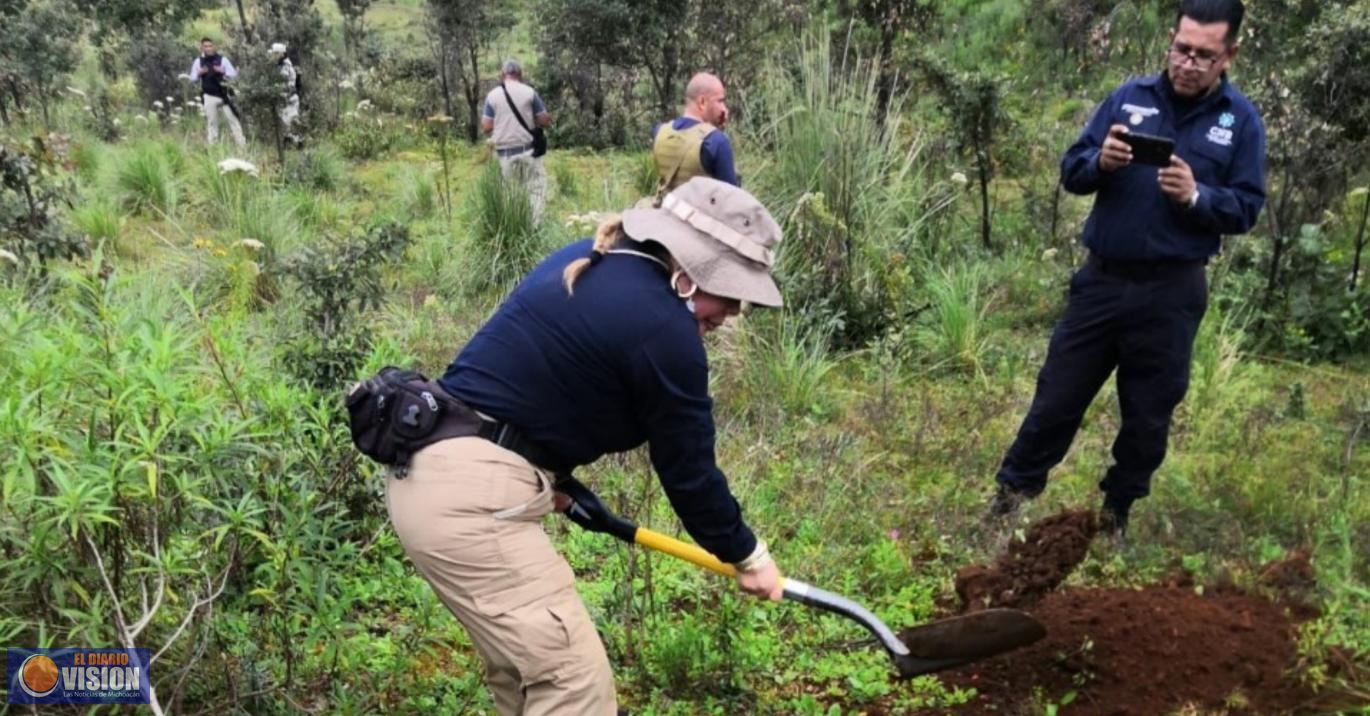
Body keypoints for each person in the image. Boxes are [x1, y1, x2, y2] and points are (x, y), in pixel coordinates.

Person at [385, 177, 785, 714]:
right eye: (731, 290)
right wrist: (747, 553)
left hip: (431, 475)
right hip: (470, 507)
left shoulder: (590, 257)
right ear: (689, 270)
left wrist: (557, 482)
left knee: (525, 676)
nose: (735, 309)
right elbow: (689, 472)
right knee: (573, 684)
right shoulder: (664, 329)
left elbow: (526, 386)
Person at [987, 0, 1265, 541]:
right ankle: (1008, 500)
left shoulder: (1241, 122)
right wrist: (1101, 163)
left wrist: (1197, 196)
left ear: (1228, 54)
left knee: (1147, 417)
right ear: (1171, 40)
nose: (1188, 62)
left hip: (1173, 291)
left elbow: (1247, 207)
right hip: (1102, 282)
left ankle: (1116, 514)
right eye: (1181, 48)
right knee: (1056, 399)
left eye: (1203, 55)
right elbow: (1073, 169)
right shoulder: (1129, 98)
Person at [649, 73, 738, 204]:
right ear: (702, 102)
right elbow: (733, 202)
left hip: (665, 216)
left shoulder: (660, 131)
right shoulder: (717, 142)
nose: (723, 108)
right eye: (720, 101)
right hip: (698, 222)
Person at [482, 59, 550, 222]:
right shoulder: (529, 92)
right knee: (535, 191)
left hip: (504, 154)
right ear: (520, 74)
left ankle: (513, 228)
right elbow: (544, 121)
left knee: (510, 195)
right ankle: (534, 228)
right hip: (528, 152)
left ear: (503, 75)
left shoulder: (492, 96)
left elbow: (486, 126)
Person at [188, 37, 246, 150]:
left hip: (224, 95)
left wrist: (223, 71)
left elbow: (234, 75)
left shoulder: (222, 60)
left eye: (210, 46)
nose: (208, 48)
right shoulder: (198, 62)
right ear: (201, 47)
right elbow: (192, 79)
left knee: (234, 121)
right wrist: (199, 73)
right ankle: (213, 149)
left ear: (213, 47)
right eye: (206, 46)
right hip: (209, 96)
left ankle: (242, 147)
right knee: (212, 124)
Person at [269, 42, 302, 148]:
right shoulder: (282, 65)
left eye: (275, 54)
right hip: (288, 98)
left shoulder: (284, 67)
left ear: (281, 54)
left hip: (289, 99)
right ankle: (291, 144)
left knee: (289, 122)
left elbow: (282, 83)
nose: (273, 56)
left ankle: (296, 144)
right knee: (287, 123)